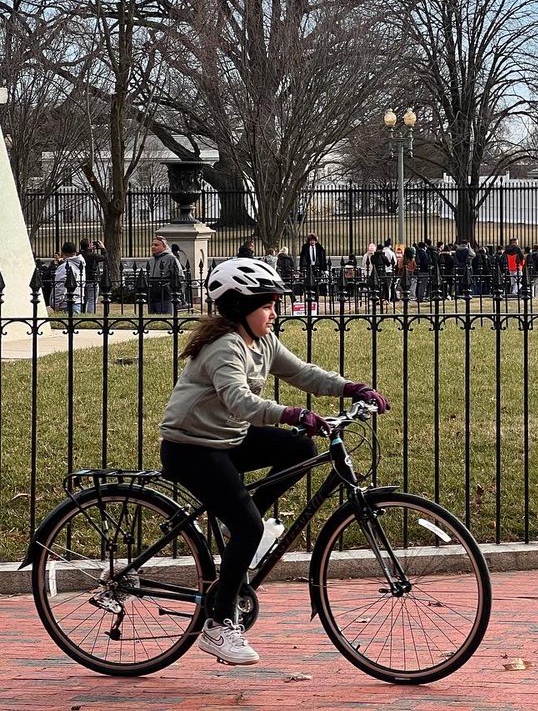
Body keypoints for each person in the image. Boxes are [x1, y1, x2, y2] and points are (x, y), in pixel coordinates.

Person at [159, 258, 389, 665]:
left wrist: (353, 388)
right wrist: (291, 414)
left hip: (228, 439)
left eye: (274, 305)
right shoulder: (225, 347)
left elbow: (303, 373)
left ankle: (237, 524)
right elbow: (240, 401)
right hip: (192, 448)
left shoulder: (262, 341)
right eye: (266, 305)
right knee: (250, 529)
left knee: (300, 450)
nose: (274, 313)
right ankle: (218, 625)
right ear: (240, 308)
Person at [148, 234, 184, 313]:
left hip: (165, 295)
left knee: (166, 316)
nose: (153, 247)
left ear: (164, 247)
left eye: (156, 245)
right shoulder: (151, 260)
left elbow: (179, 276)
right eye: (152, 245)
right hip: (153, 294)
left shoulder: (171, 258)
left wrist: (168, 287)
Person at [53, 241, 86, 313]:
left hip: (65, 304)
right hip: (78, 301)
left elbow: (59, 287)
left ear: (63, 253)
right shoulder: (81, 265)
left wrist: (56, 304)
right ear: (75, 252)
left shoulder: (64, 267)